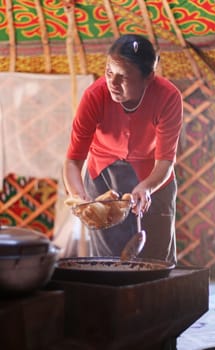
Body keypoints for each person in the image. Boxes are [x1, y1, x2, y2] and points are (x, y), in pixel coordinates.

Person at [63, 34, 183, 264]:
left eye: (123, 77)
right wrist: (81, 198)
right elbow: (73, 161)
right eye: (109, 72)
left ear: (148, 77)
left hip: (153, 177)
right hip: (102, 176)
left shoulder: (168, 97)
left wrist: (147, 187)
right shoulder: (94, 96)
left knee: (156, 257)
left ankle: (154, 300)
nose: (112, 83)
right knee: (109, 259)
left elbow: (166, 161)